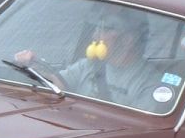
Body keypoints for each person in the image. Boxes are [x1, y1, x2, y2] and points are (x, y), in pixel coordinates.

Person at [16, 9, 173, 112]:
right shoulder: (89, 65)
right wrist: (32, 65)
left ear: (128, 39)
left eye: (105, 29)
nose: (95, 36)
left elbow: (141, 131)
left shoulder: (149, 83)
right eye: (97, 29)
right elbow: (60, 85)